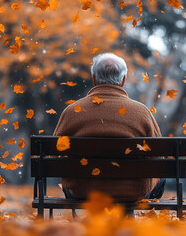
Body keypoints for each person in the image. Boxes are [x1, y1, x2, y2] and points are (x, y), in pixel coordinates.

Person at [53, 52, 165, 202]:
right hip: (132, 192)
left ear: (94, 79)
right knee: (161, 175)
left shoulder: (72, 111)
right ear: (123, 80)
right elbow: (158, 156)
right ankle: (127, 216)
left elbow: (53, 154)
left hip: (83, 191)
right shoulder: (142, 112)